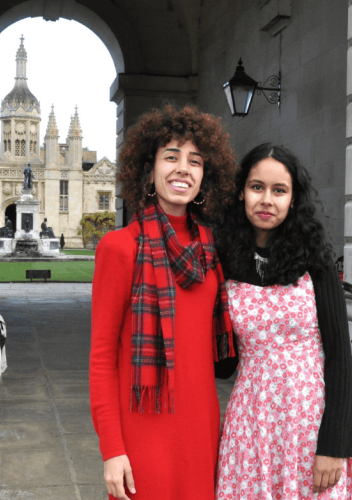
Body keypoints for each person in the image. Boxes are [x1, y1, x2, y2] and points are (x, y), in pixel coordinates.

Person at [88, 104, 239, 500]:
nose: (183, 169)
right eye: (171, 157)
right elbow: (102, 356)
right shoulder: (119, 248)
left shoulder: (212, 249)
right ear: (149, 170)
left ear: (206, 175)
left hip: (201, 425)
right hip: (142, 430)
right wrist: (112, 449)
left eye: (195, 161)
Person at [214, 144, 352, 499]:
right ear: (241, 192)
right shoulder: (226, 262)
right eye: (257, 187)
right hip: (251, 424)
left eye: (279, 190)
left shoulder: (316, 262)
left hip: (310, 424)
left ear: (293, 199)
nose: (267, 199)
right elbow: (223, 363)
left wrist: (334, 445)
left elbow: (341, 358)